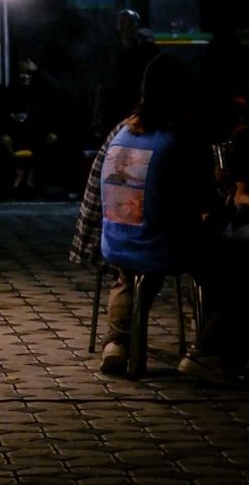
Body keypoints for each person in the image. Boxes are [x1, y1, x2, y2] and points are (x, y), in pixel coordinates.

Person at [98, 53, 249, 384]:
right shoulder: (181, 141)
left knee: (135, 270)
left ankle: (118, 343)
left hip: (116, 243)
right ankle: (208, 354)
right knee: (238, 270)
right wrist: (226, 196)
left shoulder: (123, 132)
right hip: (160, 246)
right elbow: (208, 206)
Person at [0, 57, 67, 194]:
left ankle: (32, 177)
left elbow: (55, 94)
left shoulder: (37, 93)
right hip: (9, 136)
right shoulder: (3, 93)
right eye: (21, 74)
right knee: (0, 145)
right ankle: (14, 175)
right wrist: (2, 133)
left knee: (50, 139)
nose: (25, 77)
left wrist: (38, 72)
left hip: (31, 135)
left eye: (28, 74)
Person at [92, 9, 159, 140]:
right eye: (122, 23)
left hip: (138, 111)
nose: (125, 27)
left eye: (130, 23)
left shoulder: (148, 51)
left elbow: (157, 80)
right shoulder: (109, 51)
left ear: (136, 26)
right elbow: (102, 84)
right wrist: (97, 114)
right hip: (114, 112)